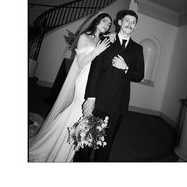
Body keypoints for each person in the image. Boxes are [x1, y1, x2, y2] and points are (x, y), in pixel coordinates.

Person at [29, 12, 113, 162]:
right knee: (79, 109)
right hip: (83, 79)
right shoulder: (84, 37)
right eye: (105, 21)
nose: (107, 25)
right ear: (97, 21)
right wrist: (96, 51)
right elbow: (80, 63)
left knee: (85, 113)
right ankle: (61, 144)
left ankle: (72, 146)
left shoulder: (102, 40)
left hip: (95, 81)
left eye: (109, 23)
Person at [74, 10, 145, 162]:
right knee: (87, 138)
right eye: (127, 21)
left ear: (136, 26)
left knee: (107, 142)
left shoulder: (138, 49)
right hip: (98, 98)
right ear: (120, 22)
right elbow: (95, 70)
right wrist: (91, 97)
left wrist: (125, 68)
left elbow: (139, 76)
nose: (129, 24)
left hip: (118, 102)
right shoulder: (106, 40)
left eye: (133, 23)